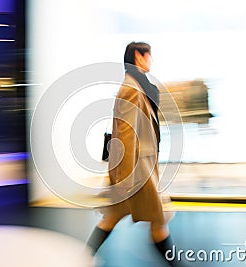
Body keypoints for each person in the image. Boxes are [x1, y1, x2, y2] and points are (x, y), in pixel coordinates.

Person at [86, 42, 178, 266]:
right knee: (158, 219)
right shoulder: (131, 88)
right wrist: (125, 179)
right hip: (137, 172)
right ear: (138, 56)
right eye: (149, 56)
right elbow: (126, 136)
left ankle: (82, 256)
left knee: (112, 217)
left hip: (136, 170)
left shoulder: (138, 84)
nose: (151, 60)